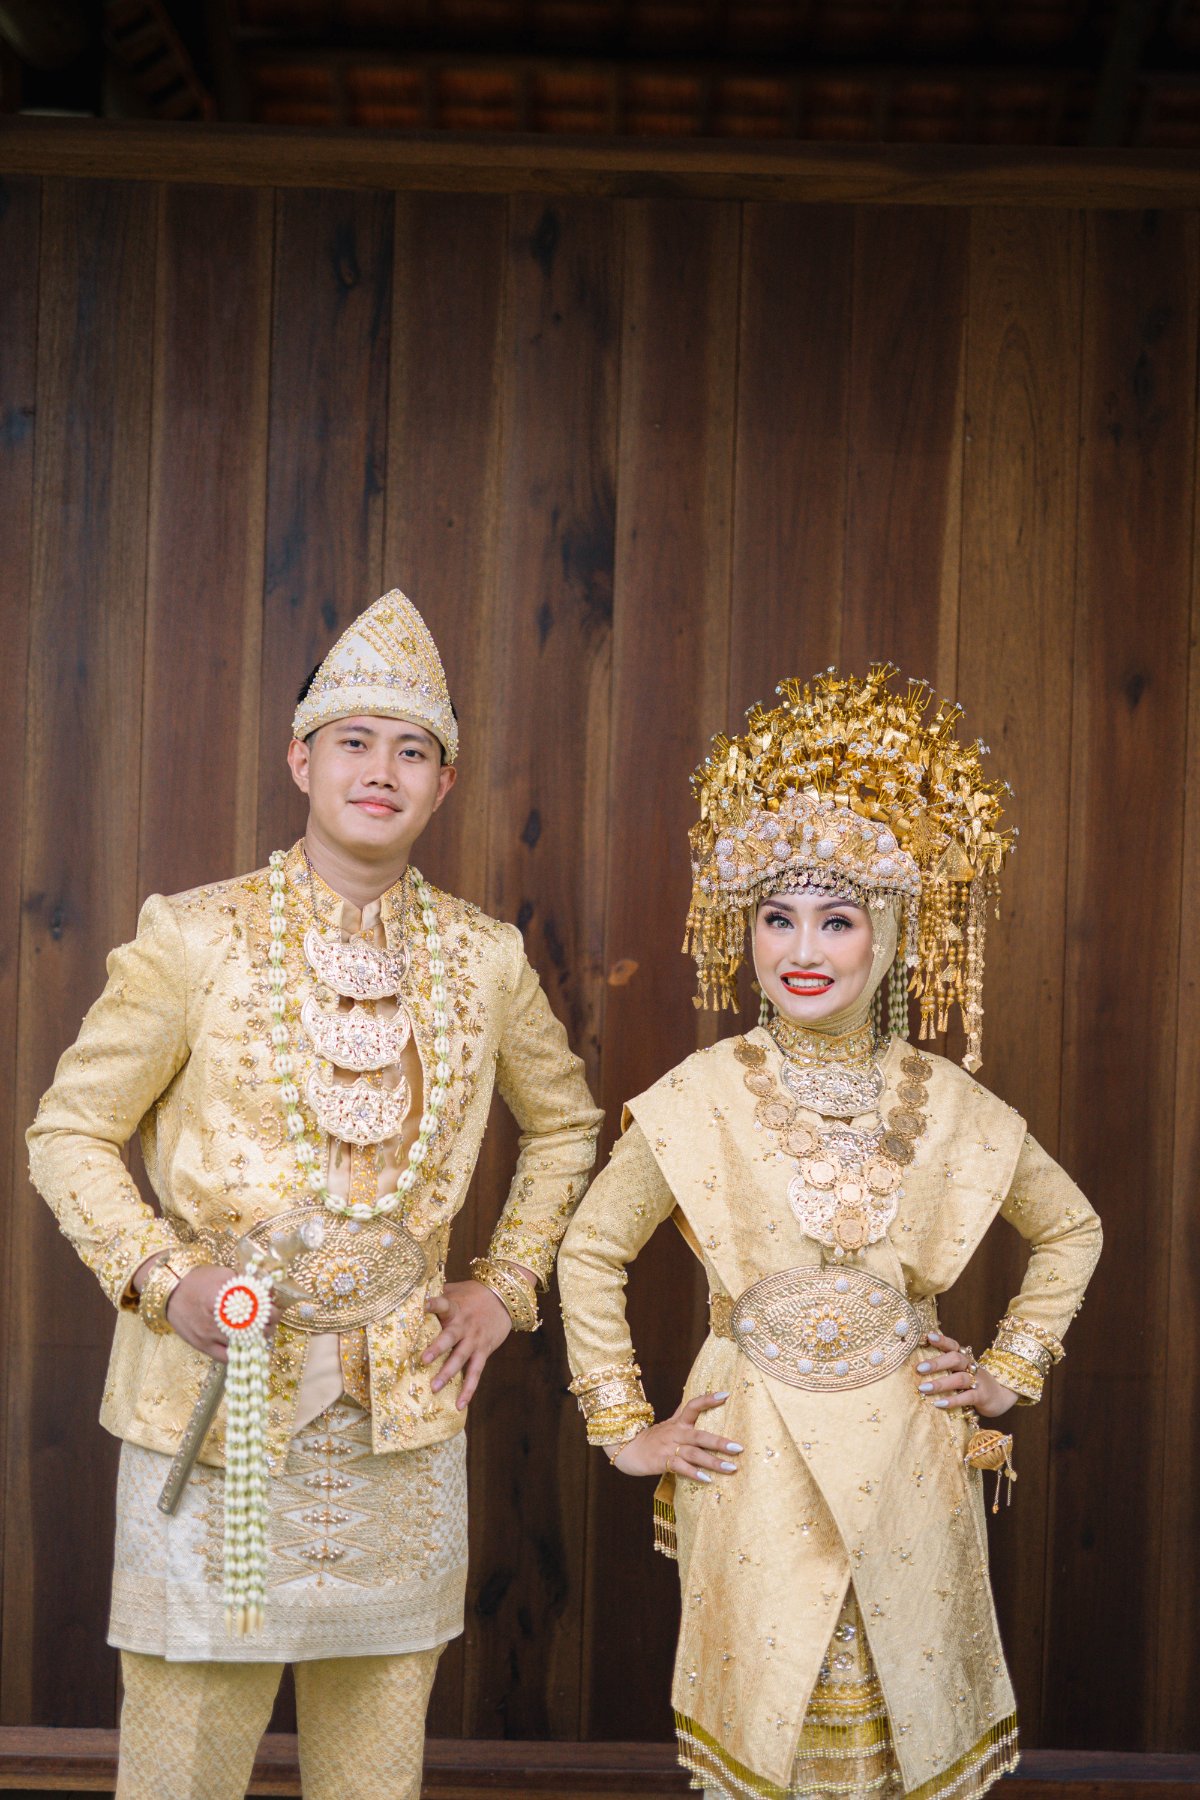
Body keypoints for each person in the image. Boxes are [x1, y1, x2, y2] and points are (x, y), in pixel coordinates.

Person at [28, 589, 603, 1800]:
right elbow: (70, 1130)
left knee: (375, 1766)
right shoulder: (194, 936)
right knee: (184, 1760)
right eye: (354, 741)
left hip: (403, 1422)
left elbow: (565, 1125)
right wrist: (164, 1277)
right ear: (302, 761)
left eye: (412, 751)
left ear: (443, 785)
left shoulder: (486, 957)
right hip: (215, 1408)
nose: (380, 770)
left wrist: (504, 1285)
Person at [557, 666, 1102, 1800]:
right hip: (752, 1449)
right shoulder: (702, 1093)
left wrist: (1007, 1374)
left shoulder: (946, 1101)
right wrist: (623, 1429)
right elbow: (591, 1249)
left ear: (889, 936)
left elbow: (1070, 1228)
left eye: (837, 919)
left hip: (912, 1451)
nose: (802, 948)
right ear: (748, 932)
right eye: (778, 917)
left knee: (904, 1717)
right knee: (775, 1721)